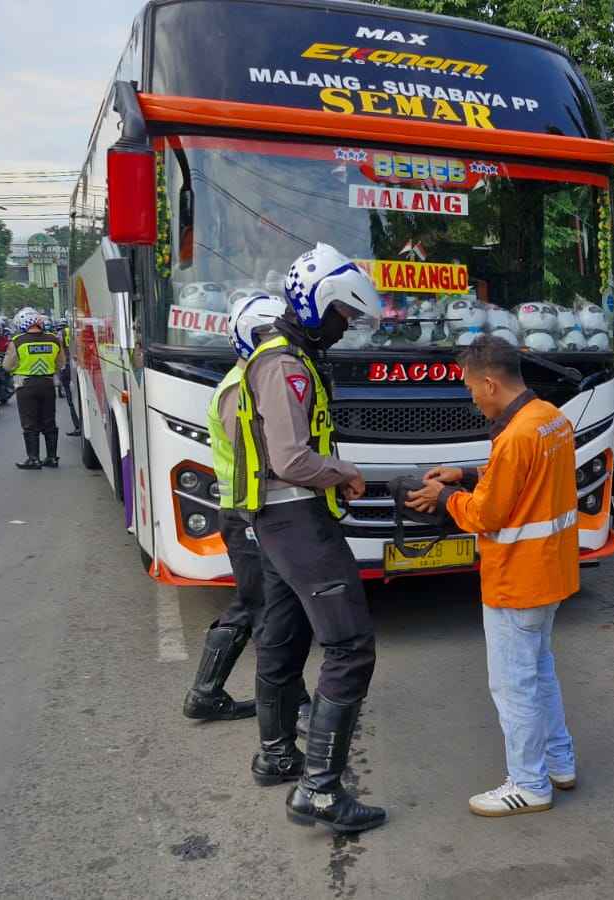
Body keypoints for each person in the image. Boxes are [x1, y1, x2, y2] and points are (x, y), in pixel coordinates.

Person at [406, 335, 580, 817]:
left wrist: (444, 497)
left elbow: (487, 515)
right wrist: (465, 474)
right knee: (539, 671)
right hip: (550, 572)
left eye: (470, 389)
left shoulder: (516, 436)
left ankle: (528, 784)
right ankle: (559, 762)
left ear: (489, 383)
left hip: (517, 580)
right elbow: (520, 477)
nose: (472, 399)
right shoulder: (550, 418)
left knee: (513, 685)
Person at [243, 243, 384, 833]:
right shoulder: (285, 367)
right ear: (318, 304)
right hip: (297, 517)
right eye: (343, 314)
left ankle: (277, 755)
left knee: (283, 636)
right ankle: (320, 790)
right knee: (350, 647)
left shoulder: (280, 355)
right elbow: (292, 459)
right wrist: (344, 471)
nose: (345, 327)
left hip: (279, 519)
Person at [183, 293, 303, 722]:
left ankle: (205, 693)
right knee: (267, 610)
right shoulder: (241, 388)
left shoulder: (251, 379)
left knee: (254, 602)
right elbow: (270, 455)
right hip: (246, 511)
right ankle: (291, 707)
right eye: (271, 335)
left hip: (249, 509)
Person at [1, 313, 64, 470]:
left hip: (26, 386)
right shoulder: (53, 339)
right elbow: (61, 362)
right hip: (48, 384)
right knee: (49, 421)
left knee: (30, 423)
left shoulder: (17, 341)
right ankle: (52, 458)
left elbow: (8, 366)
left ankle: (34, 459)